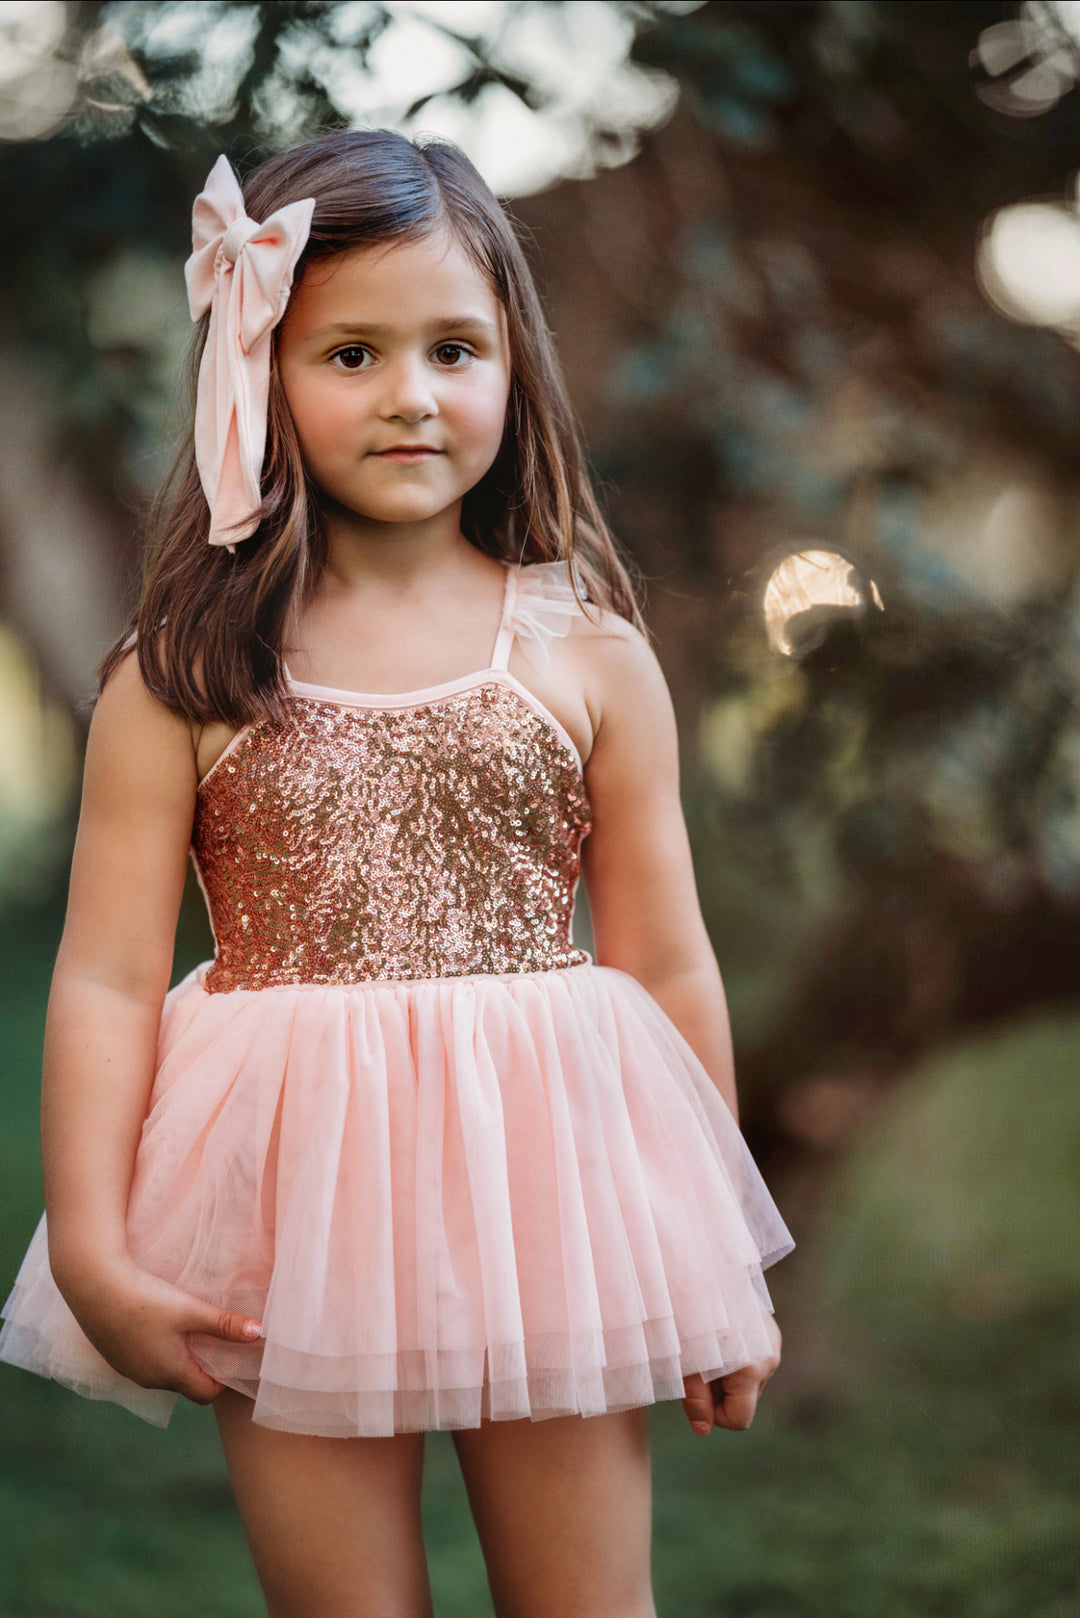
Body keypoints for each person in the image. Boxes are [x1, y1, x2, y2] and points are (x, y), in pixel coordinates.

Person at [0, 130, 793, 1618]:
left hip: (549, 1187)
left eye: (454, 347)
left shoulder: (590, 654)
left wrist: (716, 1266)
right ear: (258, 370)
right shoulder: (182, 677)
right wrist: (96, 1250)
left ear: (515, 367)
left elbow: (668, 960)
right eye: (352, 352)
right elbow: (105, 978)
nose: (412, 394)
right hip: (283, 1210)